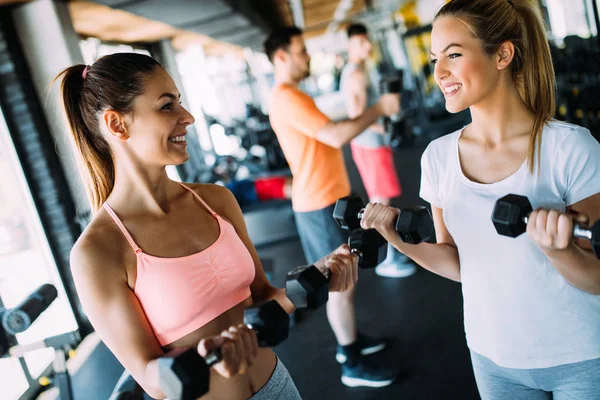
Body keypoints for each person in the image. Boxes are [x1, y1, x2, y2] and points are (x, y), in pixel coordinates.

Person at [56, 53, 359, 400]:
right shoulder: (98, 251)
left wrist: (320, 273)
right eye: (167, 106)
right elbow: (149, 378)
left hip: (278, 386)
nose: (188, 117)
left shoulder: (216, 200)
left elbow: (263, 297)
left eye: (180, 103)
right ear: (117, 125)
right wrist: (207, 358)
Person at [360, 0, 600, 399]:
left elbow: (594, 279)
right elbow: (458, 262)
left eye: (454, 54)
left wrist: (559, 251)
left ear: (503, 54)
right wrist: (394, 236)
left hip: (578, 356)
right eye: (436, 58)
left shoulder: (570, 148)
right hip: (492, 359)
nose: (438, 72)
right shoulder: (437, 157)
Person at [264, 27, 400, 387]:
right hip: (318, 202)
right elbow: (337, 135)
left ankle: (352, 342)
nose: (307, 56)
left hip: (331, 196)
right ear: (281, 57)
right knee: (338, 281)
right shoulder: (287, 97)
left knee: (348, 275)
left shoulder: (293, 96)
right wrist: (380, 108)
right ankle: (350, 363)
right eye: (300, 51)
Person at [340, 22, 416, 278]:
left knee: (379, 201)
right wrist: (385, 129)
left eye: (367, 40)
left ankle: (386, 255)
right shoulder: (357, 75)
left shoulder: (358, 69)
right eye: (361, 42)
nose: (367, 46)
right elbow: (356, 115)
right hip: (370, 145)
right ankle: (386, 259)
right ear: (350, 44)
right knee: (381, 204)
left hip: (367, 145)